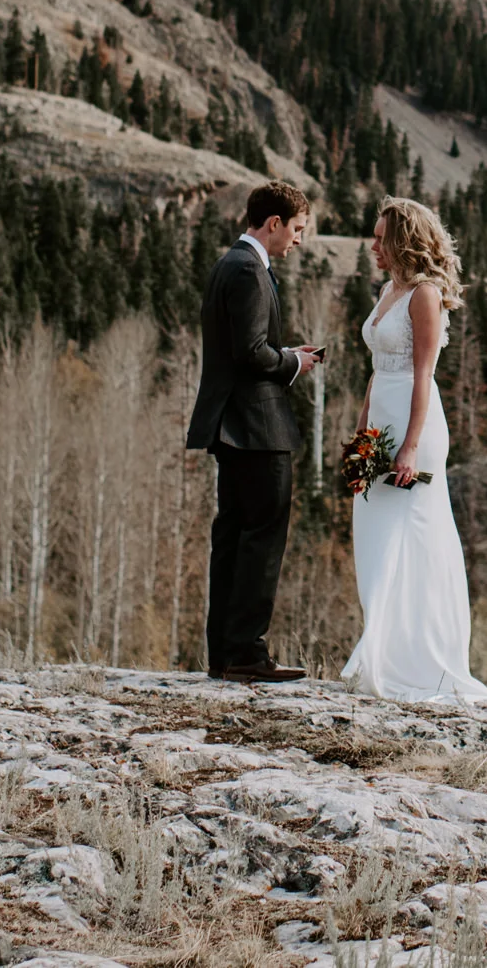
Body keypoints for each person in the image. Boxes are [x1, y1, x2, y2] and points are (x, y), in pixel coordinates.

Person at [340, 196, 487, 705]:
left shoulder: (424, 295)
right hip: (381, 421)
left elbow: (421, 375)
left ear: (404, 240)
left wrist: (408, 448)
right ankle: (383, 653)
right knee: (375, 536)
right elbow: (378, 369)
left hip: (415, 428)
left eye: (381, 237)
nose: (373, 245)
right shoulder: (389, 289)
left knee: (417, 540)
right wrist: (362, 435)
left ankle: (425, 663)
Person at [185, 181, 324, 682]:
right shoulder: (247, 270)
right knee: (262, 538)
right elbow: (249, 351)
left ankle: (225, 652)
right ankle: (246, 651)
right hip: (255, 427)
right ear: (274, 224)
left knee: (233, 538)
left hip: (234, 426)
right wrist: (294, 361)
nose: (299, 240)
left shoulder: (230, 265)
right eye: (298, 229)